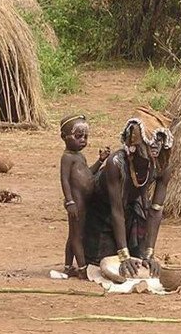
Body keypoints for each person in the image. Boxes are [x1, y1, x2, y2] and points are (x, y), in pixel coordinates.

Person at [83, 107, 173, 278]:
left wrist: (149, 253)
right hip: (101, 212)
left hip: (131, 211)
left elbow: (155, 211)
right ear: (134, 145)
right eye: (150, 142)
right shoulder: (116, 163)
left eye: (159, 142)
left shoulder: (162, 166)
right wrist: (123, 256)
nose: (155, 147)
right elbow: (116, 210)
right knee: (104, 263)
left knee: (139, 260)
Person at [58, 114, 109, 279]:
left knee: (74, 234)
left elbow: (88, 174)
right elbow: (64, 180)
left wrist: (100, 161)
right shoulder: (67, 158)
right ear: (64, 137)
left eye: (85, 137)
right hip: (77, 202)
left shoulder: (80, 157)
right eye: (78, 136)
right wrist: (69, 200)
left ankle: (68, 266)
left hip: (84, 202)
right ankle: (81, 268)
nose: (83, 140)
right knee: (76, 236)